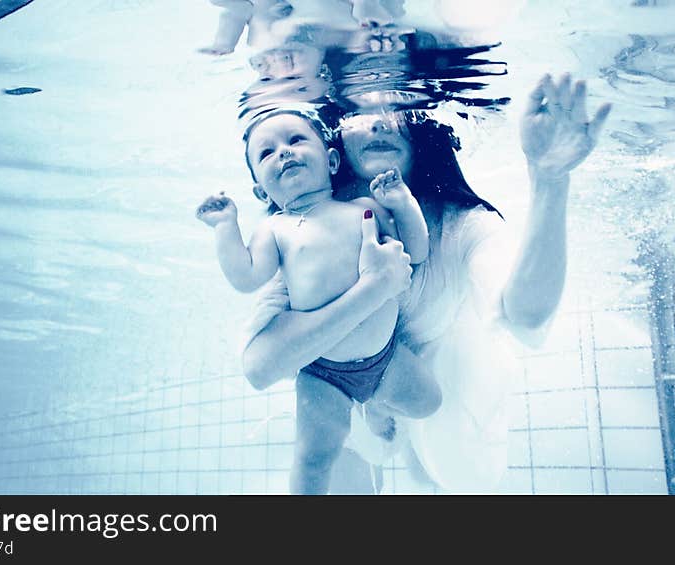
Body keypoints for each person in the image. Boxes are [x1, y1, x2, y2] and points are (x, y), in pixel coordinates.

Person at [241, 73, 612, 493]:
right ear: (336, 141)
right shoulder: (302, 230)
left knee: (439, 474)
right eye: (359, 112)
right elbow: (261, 365)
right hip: (340, 381)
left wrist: (550, 181)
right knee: (334, 460)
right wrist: (372, 291)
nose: (378, 122)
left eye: (395, 106)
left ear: (421, 125)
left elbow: (525, 317)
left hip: (441, 388)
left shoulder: (461, 225)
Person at [196, 109, 441, 494]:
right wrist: (226, 227)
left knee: (429, 401)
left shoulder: (366, 208)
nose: (284, 153)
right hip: (323, 373)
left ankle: (375, 406)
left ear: (330, 160)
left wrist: (402, 202)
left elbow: (417, 249)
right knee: (313, 460)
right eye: (267, 153)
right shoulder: (274, 229)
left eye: (295, 140)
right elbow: (246, 277)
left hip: (386, 357)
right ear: (262, 191)